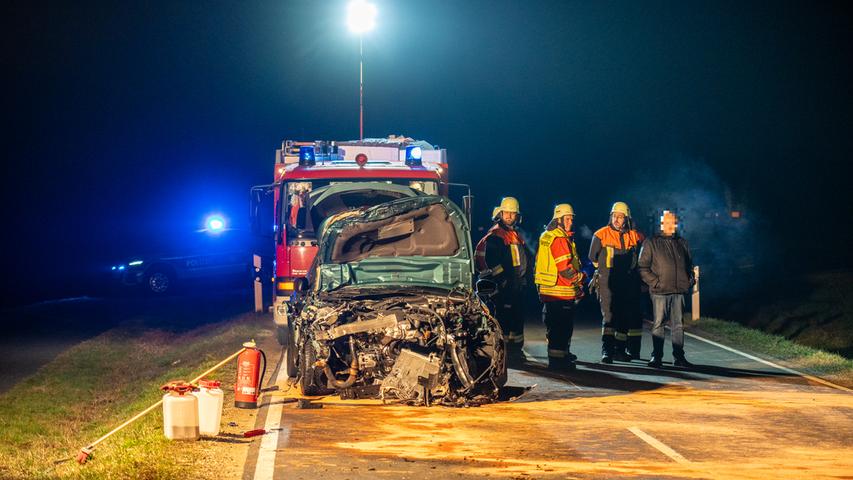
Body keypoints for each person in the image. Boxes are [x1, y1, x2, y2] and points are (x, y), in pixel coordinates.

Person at [638, 210, 695, 368]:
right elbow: (642, 267)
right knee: (659, 324)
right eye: (668, 222)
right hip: (660, 291)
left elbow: (689, 264)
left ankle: (679, 358)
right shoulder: (651, 242)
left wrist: (689, 280)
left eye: (674, 222)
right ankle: (656, 357)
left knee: (678, 325)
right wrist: (655, 282)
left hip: (679, 291)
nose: (671, 225)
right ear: (662, 224)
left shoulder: (682, 242)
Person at [589, 201, 645, 363]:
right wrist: (602, 273)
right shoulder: (600, 234)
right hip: (607, 282)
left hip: (626, 283)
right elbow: (592, 257)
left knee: (623, 316)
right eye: (615, 216)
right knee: (609, 317)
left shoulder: (633, 235)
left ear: (626, 219)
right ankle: (607, 351)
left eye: (620, 217)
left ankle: (620, 350)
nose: (617, 219)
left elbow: (644, 246)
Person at [475, 197, 531, 354]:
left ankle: (515, 349)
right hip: (505, 286)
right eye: (507, 212)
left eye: (513, 213)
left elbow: (522, 259)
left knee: (517, 318)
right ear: (500, 213)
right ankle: (503, 351)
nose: (510, 216)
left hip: (516, 284)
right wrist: (503, 281)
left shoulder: (514, 234)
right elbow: (493, 261)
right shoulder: (496, 235)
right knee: (505, 319)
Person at [534, 204, 585, 370]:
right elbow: (565, 270)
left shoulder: (548, 236)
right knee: (561, 330)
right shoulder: (560, 239)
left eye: (571, 218)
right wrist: (581, 277)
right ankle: (558, 363)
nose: (571, 222)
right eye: (567, 219)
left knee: (556, 329)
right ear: (559, 220)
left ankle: (561, 357)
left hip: (549, 291)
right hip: (560, 292)